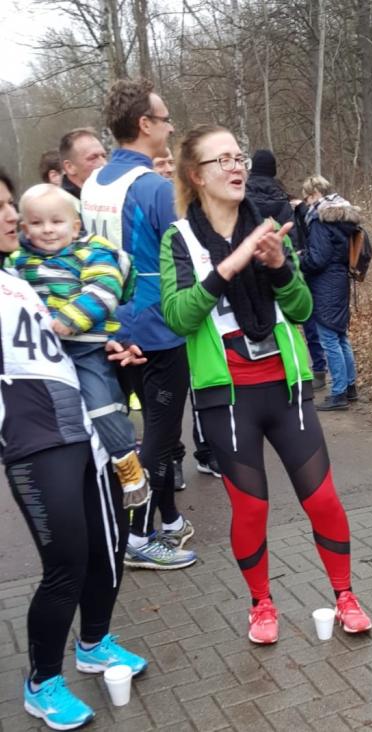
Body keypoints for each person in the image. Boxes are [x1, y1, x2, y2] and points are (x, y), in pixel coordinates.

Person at [160, 123, 372, 643]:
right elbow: (179, 316)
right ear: (196, 175)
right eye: (223, 160)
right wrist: (229, 266)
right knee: (252, 508)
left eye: (239, 158)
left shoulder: (272, 227)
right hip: (227, 397)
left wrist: (279, 266)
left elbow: (301, 308)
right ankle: (261, 604)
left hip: (285, 386)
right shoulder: (179, 238)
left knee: (322, 498)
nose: (236, 167)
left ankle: (345, 595)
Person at [0, 167, 147, 731]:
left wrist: (115, 346)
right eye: (5, 209)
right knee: (64, 564)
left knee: (105, 549)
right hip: (34, 437)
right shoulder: (20, 267)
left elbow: (82, 318)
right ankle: (43, 682)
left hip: (83, 424)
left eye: (11, 204)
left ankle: (95, 643)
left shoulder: (21, 274)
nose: (13, 217)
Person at [80, 77, 196, 570]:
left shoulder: (93, 182)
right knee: (160, 439)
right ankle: (137, 537)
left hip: (110, 328)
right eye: (165, 119)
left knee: (140, 436)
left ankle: (167, 521)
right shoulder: (154, 187)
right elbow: (186, 257)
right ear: (145, 124)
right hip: (157, 330)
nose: (170, 127)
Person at [12, 183, 148, 507]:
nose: (47, 230)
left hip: (85, 347)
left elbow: (105, 287)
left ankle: (127, 464)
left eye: (56, 221)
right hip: (44, 354)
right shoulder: (19, 260)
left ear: (75, 226)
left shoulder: (92, 251)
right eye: (37, 223)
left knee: (102, 406)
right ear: (24, 229)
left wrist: (71, 318)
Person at [151, 146, 221, 484]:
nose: (165, 167)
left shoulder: (187, 206)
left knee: (197, 386)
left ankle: (207, 452)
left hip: (195, 312)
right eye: (159, 162)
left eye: (169, 162)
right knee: (168, 399)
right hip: (159, 316)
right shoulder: (146, 199)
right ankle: (174, 459)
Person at [248, 151, 327, 389]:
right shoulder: (283, 200)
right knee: (297, 316)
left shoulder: (241, 198)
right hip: (282, 265)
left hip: (250, 267)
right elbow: (295, 236)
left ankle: (259, 372)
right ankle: (313, 368)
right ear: (273, 170)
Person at [300, 175, 361, 410]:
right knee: (340, 336)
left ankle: (338, 394)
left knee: (328, 338)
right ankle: (349, 387)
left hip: (325, 284)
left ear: (315, 194)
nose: (306, 202)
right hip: (340, 280)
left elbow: (318, 258)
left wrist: (299, 260)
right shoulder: (344, 216)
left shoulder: (320, 219)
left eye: (307, 197)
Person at [59, 128, 107, 200]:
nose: (104, 163)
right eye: (93, 158)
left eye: (104, 156)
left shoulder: (107, 195)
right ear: (70, 167)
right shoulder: (60, 204)